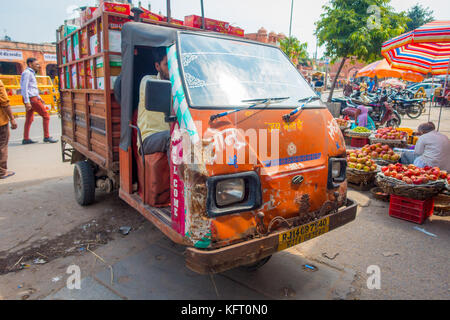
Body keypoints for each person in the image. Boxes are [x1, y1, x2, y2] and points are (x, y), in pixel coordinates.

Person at [137, 47, 171, 157]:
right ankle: (178, 175)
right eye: (167, 64)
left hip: (169, 133)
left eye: (173, 64)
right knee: (174, 138)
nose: (172, 68)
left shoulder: (179, 85)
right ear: (157, 66)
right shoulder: (148, 81)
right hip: (148, 138)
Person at [20, 57, 57, 144]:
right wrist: (27, 101)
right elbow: (24, 88)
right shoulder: (27, 73)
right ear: (30, 64)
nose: (38, 66)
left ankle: (26, 138)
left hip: (32, 98)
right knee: (46, 116)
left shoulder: (31, 73)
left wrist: (39, 97)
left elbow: (31, 88)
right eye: (36, 64)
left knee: (29, 118)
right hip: (31, 99)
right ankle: (47, 136)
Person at [0, 79, 18, 179]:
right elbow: (4, 102)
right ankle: (2, 172)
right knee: (2, 145)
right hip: (1, 121)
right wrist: (12, 119)